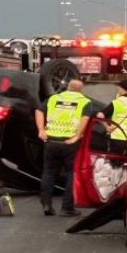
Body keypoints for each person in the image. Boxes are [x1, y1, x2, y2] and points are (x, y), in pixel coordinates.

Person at [35, 79, 91, 217]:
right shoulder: (85, 102)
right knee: (72, 173)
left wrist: (41, 130)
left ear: (68, 87)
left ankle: (47, 204)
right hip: (70, 143)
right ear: (80, 90)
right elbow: (85, 119)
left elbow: (39, 111)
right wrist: (77, 136)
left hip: (51, 140)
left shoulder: (54, 98)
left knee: (49, 172)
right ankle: (67, 208)